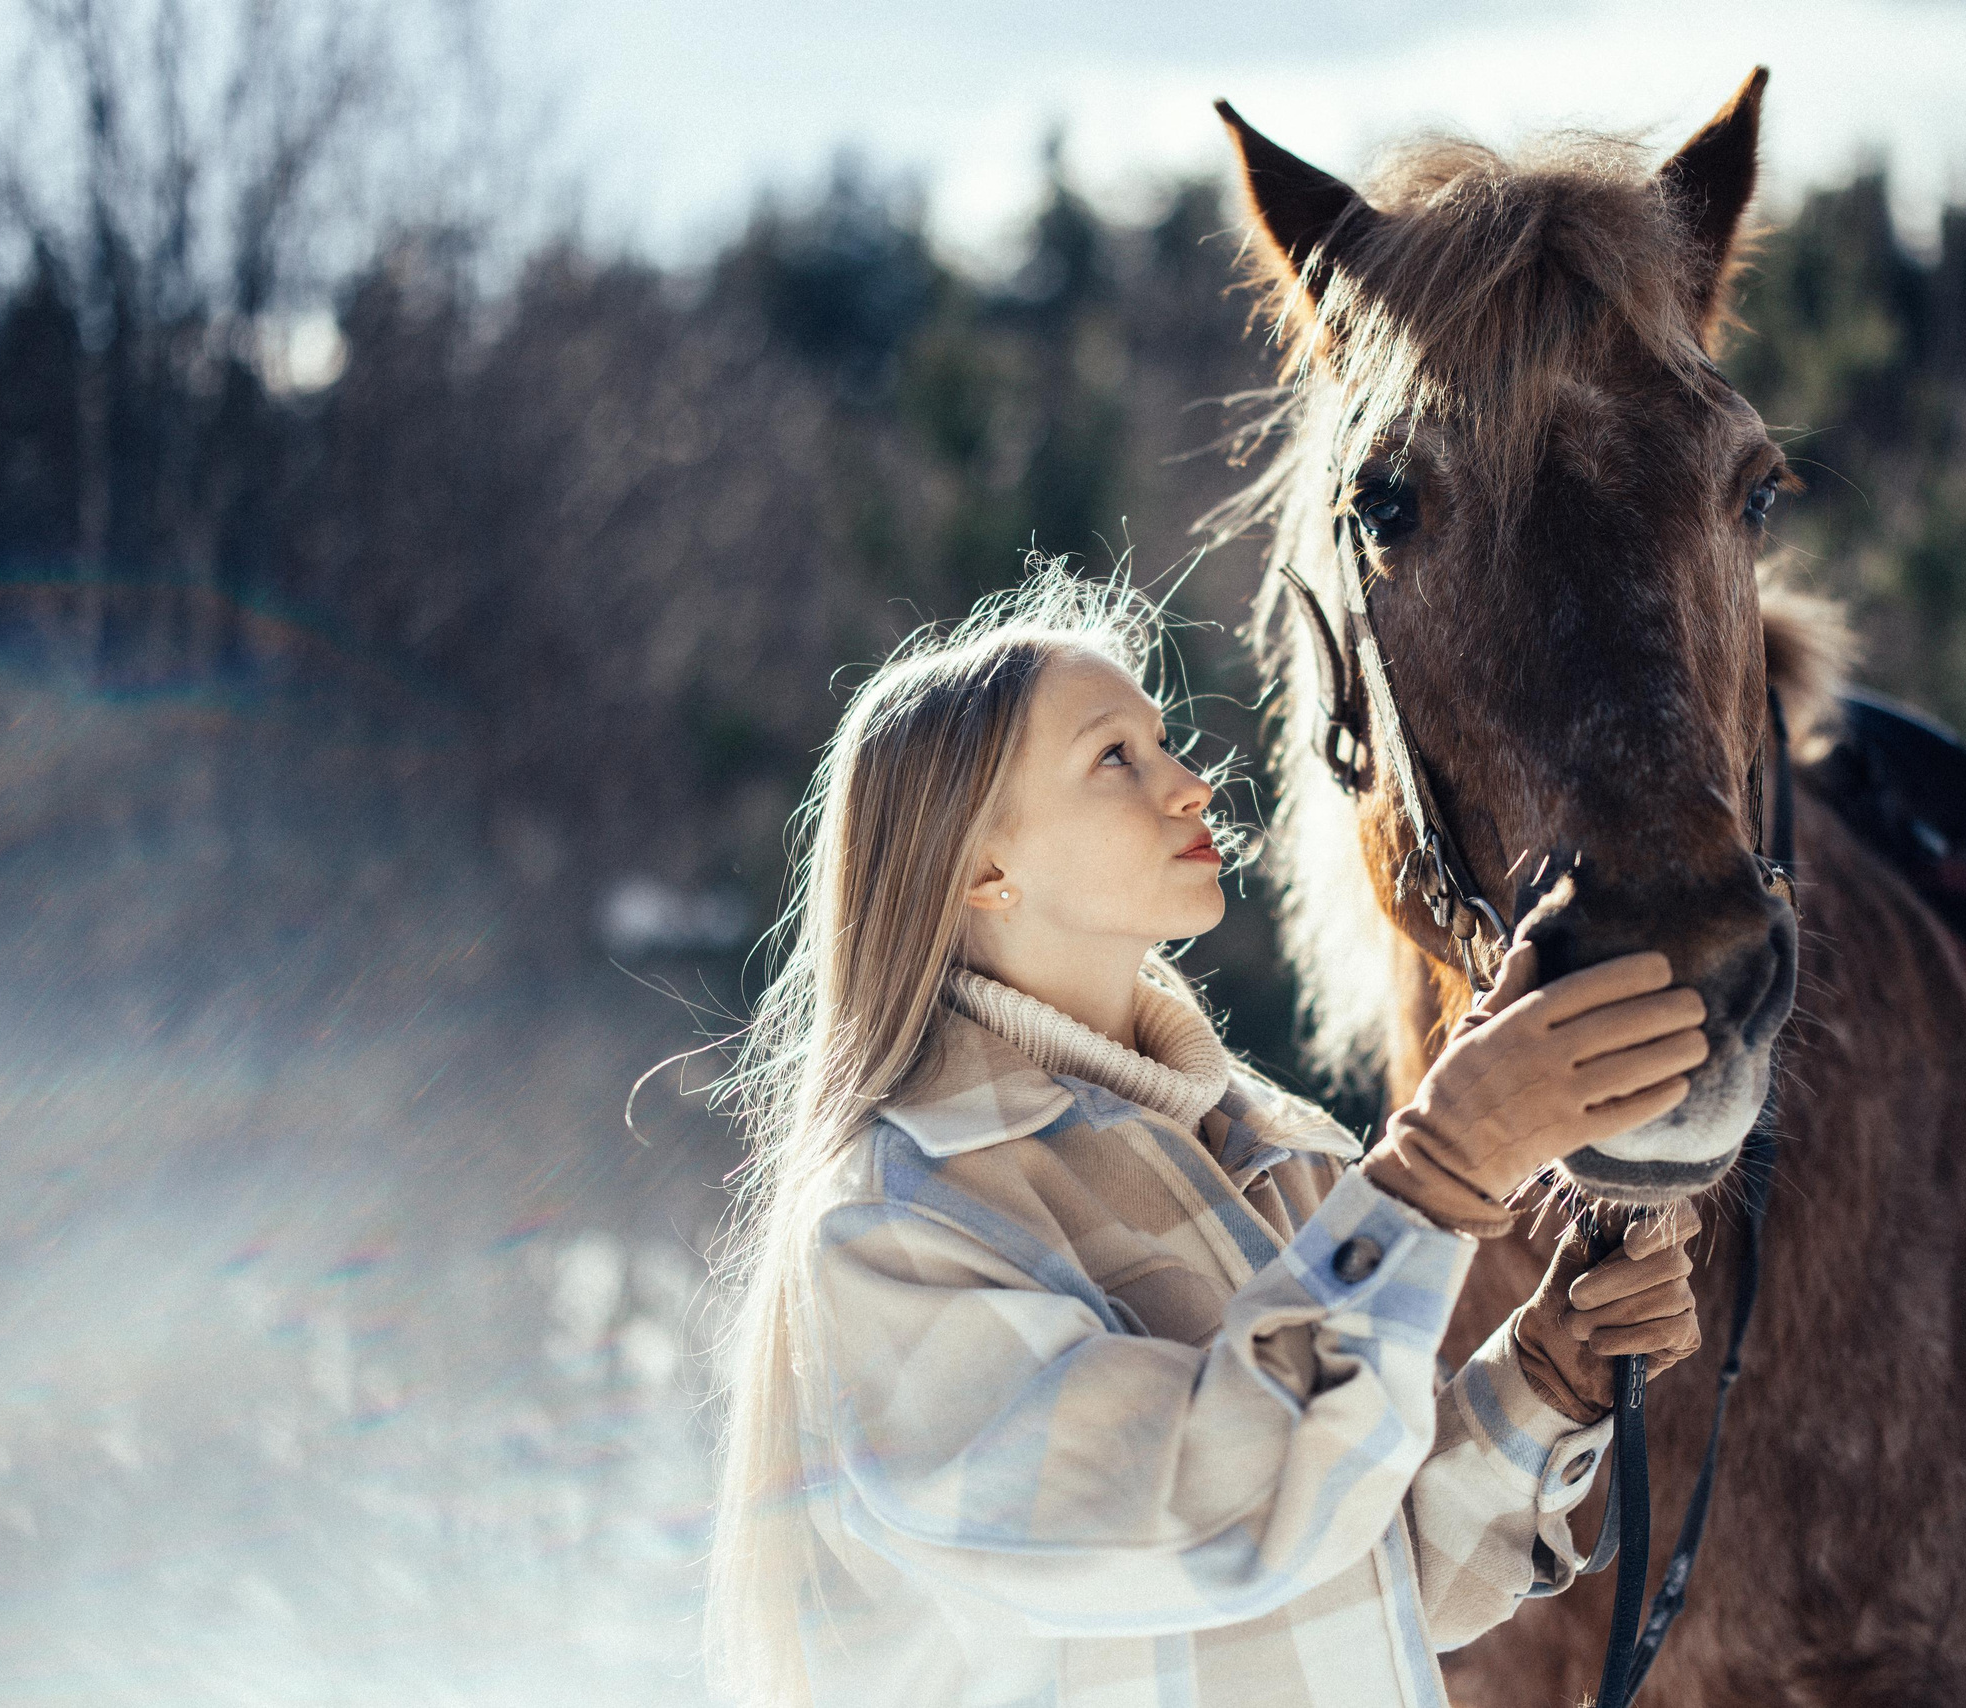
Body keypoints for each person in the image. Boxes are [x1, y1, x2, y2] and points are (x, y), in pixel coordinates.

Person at [703, 567, 1710, 1707]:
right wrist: (1438, 1176)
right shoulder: (895, 1221)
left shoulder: (1285, 1146)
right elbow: (1207, 1517)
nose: (1192, 784)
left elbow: (1359, 1576)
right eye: (1113, 759)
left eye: (1165, 742)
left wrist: (1543, 1378)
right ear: (981, 869)